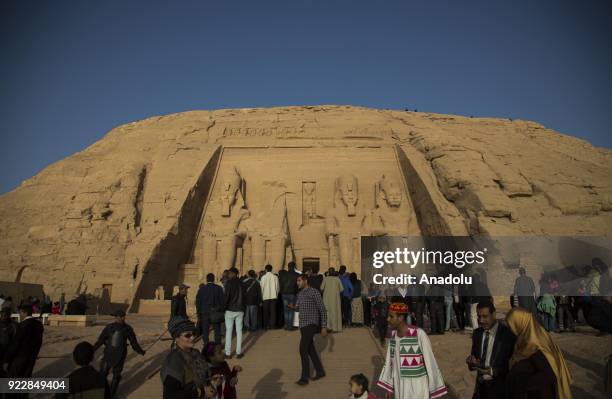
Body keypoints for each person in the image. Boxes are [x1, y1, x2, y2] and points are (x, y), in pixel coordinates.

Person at [376, 302, 447, 399]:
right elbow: (390, 364)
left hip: (418, 390)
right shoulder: (393, 337)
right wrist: (390, 387)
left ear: (400, 318)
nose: (388, 319)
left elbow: (430, 363)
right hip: (399, 387)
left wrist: (435, 389)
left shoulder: (419, 334)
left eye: (391, 316)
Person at [505, 308, 572, 399]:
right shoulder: (529, 335)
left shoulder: (534, 345)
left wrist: (521, 383)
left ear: (520, 323)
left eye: (511, 325)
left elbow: (549, 375)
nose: (509, 329)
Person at [466, 302, 516, 399]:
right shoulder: (477, 334)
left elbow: (513, 365)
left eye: (485, 316)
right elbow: (475, 359)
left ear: (494, 314)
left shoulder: (507, 334)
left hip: (501, 389)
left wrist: (492, 371)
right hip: (481, 389)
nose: (481, 320)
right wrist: (471, 362)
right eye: (479, 316)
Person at [93, 309, 145, 397]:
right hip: (109, 353)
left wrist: (140, 351)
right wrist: (92, 349)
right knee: (103, 375)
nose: (116, 318)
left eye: (118, 317)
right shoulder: (110, 327)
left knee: (116, 376)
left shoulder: (127, 329)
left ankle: (111, 395)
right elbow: (100, 341)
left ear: (123, 317)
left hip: (119, 354)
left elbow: (134, 343)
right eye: (115, 317)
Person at [161, 317, 212, 398]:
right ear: (177, 338)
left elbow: (204, 377)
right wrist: (200, 392)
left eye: (194, 334)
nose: (192, 337)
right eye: (187, 335)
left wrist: (212, 381)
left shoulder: (196, 353)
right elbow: (170, 396)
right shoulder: (173, 362)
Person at [294, 274, 328, 385]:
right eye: (297, 281)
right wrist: (292, 306)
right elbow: (298, 307)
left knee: (302, 349)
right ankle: (320, 371)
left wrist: (323, 326)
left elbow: (322, 309)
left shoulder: (314, 292)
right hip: (303, 325)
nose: (297, 283)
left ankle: (304, 377)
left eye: (299, 281)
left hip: (311, 324)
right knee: (310, 349)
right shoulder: (299, 294)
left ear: (305, 281)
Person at [5, 304, 43, 381]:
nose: (20, 315)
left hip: (19, 358)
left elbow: (15, 344)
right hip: (32, 357)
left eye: (20, 313)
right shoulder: (39, 325)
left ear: (24, 313)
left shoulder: (22, 325)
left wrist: (7, 360)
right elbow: (39, 342)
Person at [196, 274, 225, 345]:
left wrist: (199, 314)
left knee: (205, 330)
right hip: (215, 312)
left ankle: (206, 344)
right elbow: (222, 301)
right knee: (217, 330)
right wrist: (221, 311)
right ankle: (218, 345)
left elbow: (198, 302)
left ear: (206, 279)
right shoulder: (219, 288)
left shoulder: (201, 289)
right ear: (214, 279)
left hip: (204, 312)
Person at [223, 267, 245, 358]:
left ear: (232, 273)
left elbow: (227, 297)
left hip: (230, 309)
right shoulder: (242, 283)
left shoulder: (229, 283)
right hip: (240, 309)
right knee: (239, 331)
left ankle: (228, 353)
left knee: (229, 331)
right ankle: (238, 352)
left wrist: (223, 308)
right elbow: (244, 297)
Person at [321, 268, 343, 333]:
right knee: (335, 313)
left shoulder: (325, 279)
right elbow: (342, 289)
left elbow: (321, 288)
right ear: (333, 272)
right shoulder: (337, 279)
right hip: (335, 300)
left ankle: (328, 327)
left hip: (326, 299)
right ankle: (335, 328)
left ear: (328, 272)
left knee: (327, 313)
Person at [280, 261, 300, 330]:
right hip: (292, 294)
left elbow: (281, 284)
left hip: (284, 293)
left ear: (288, 267)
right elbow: (298, 285)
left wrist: (282, 292)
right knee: (291, 310)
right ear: (294, 267)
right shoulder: (297, 275)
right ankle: (290, 326)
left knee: (286, 310)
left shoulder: (283, 275)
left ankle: (286, 325)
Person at [260, 264, 279, 330]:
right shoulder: (275, 277)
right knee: (273, 312)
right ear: (271, 269)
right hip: (273, 296)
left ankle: (266, 325)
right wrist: (276, 295)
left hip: (265, 296)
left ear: (266, 269)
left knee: (265, 312)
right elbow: (277, 287)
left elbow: (261, 288)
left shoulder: (263, 277)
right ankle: (272, 326)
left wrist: (261, 296)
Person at [0, 308, 17, 376]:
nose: (2, 317)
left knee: (7, 371)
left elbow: (16, 339)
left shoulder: (14, 325)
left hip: (8, 352)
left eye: (5, 315)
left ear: (9, 315)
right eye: (1, 315)